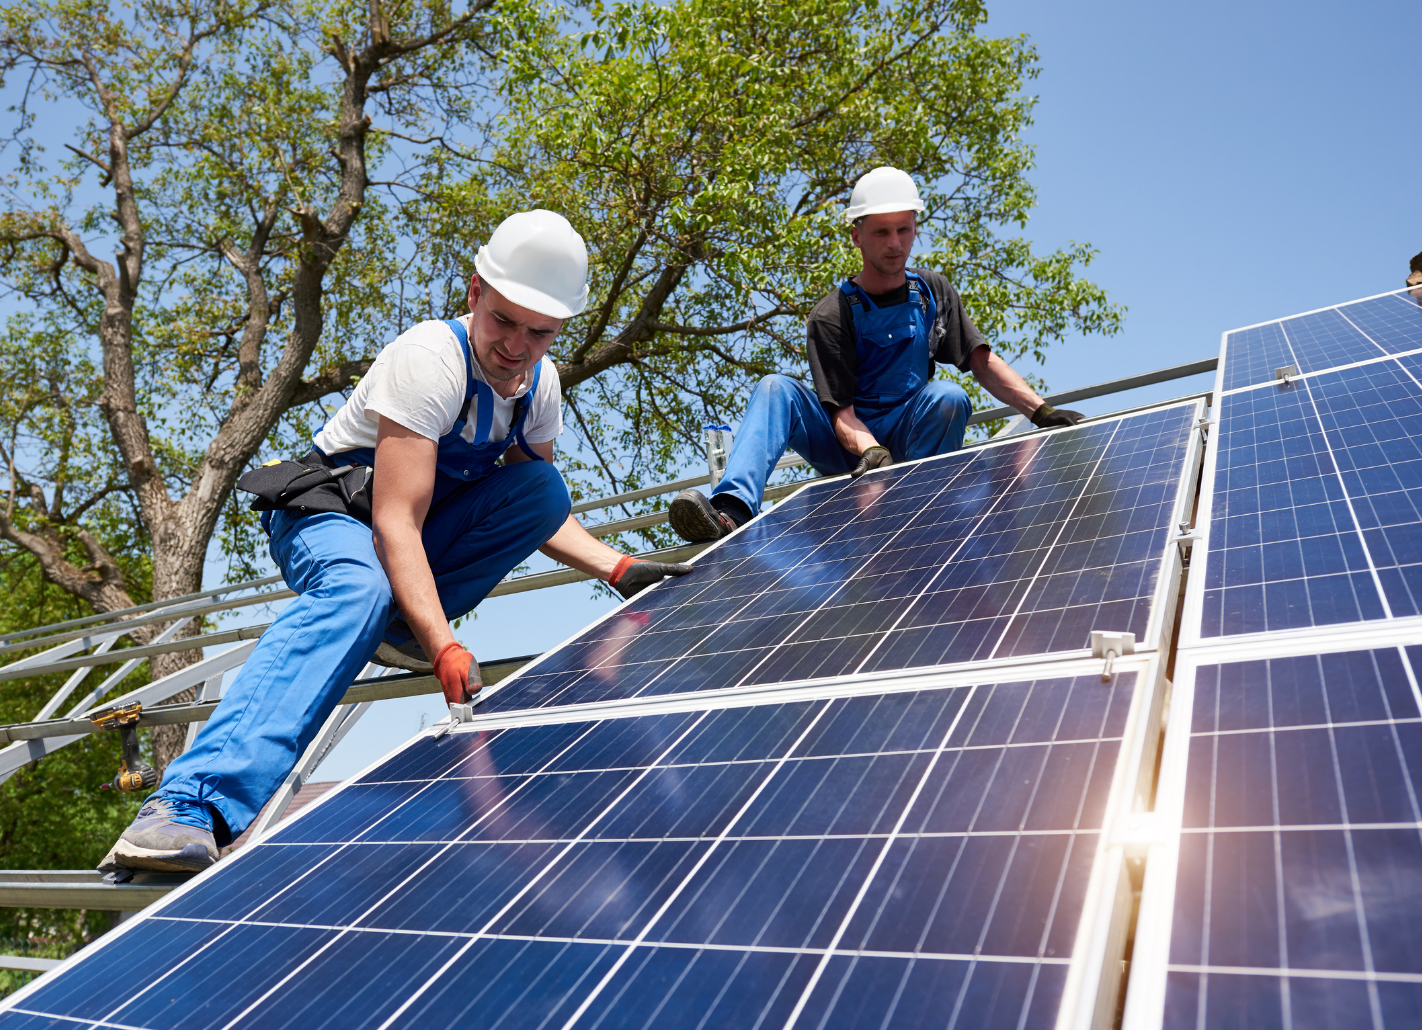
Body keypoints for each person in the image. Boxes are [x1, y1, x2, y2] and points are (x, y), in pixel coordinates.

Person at [100, 210, 691, 873]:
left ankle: (398, 627)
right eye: (503, 320)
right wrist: (443, 642)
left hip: (407, 543)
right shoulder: (428, 360)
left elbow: (537, 511)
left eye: (541, 331)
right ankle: (187, 806)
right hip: (334, 518)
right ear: (475, 294)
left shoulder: (539, 389)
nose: (517, 346)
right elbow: (395, 523)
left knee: (544, 487)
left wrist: (620, 568)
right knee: (357, 588)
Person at [669, 167, 1085, 543]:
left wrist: (1040, 412)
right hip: (848, 446)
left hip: (910, 432)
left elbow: (980, 361)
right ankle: (732, 512)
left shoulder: (931, 293)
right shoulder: (832, 314)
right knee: (774, 388)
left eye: (903, 230)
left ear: (915, 227)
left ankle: (924, 513)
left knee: (948, 396)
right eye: (882, 232)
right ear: (857, 235)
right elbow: (840, 414)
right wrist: (870, 450)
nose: (895, 243)